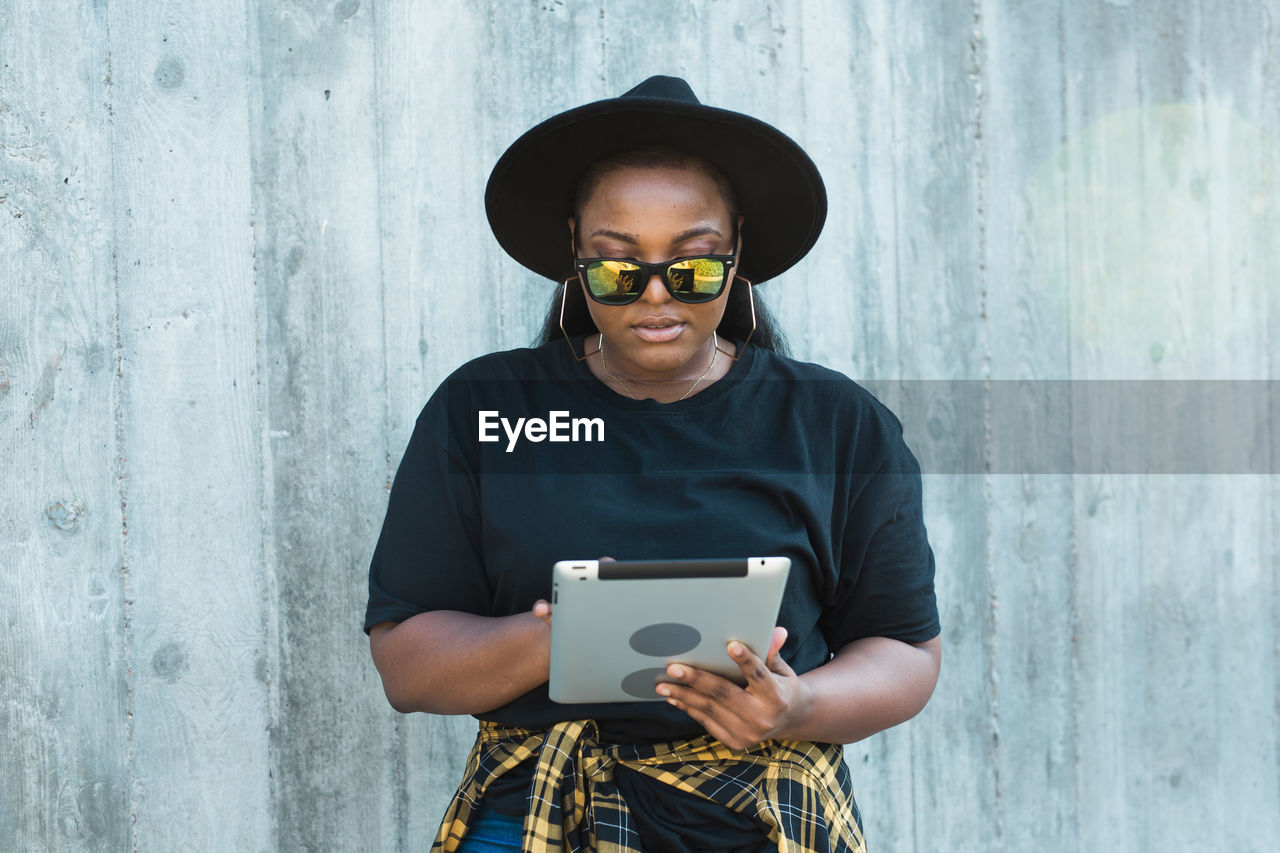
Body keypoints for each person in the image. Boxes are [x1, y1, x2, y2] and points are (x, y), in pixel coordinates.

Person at [364, 76, 941, 853]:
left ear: (736, 251)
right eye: (617, 267)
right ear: (575, 251)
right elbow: (406, 662)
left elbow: (905, 649)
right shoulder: (486, 408)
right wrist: (559, 636)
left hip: (759, 820)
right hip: (536, 813)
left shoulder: (836, 424)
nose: (658, 296)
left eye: (694, 265)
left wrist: (798, 705)